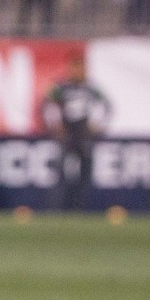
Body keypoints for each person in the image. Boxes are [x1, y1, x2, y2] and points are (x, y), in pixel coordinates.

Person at [41, 53, 111, 211]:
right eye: (75, 67)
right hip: (67, 134)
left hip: (83, 135)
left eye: (81, 68)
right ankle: (57, 208)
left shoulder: (90, 88)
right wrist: (54, 125)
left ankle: (80, 209)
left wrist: (98, 125)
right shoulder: (61, 87)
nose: (78, 71)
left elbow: (107, 106)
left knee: (85, 174)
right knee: (61, 173)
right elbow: (46, 105)